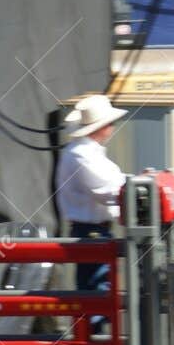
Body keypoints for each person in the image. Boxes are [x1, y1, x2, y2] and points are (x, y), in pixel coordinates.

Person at [55, 94, 128, 295]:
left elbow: (111, 186)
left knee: (98, 289)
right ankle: (94, 326)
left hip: (91, 231)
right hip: (90, 232)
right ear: (102, 127)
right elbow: (108, 191)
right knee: (98, 291)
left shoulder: (84, 152)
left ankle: (92, 325)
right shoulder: (82, 154)